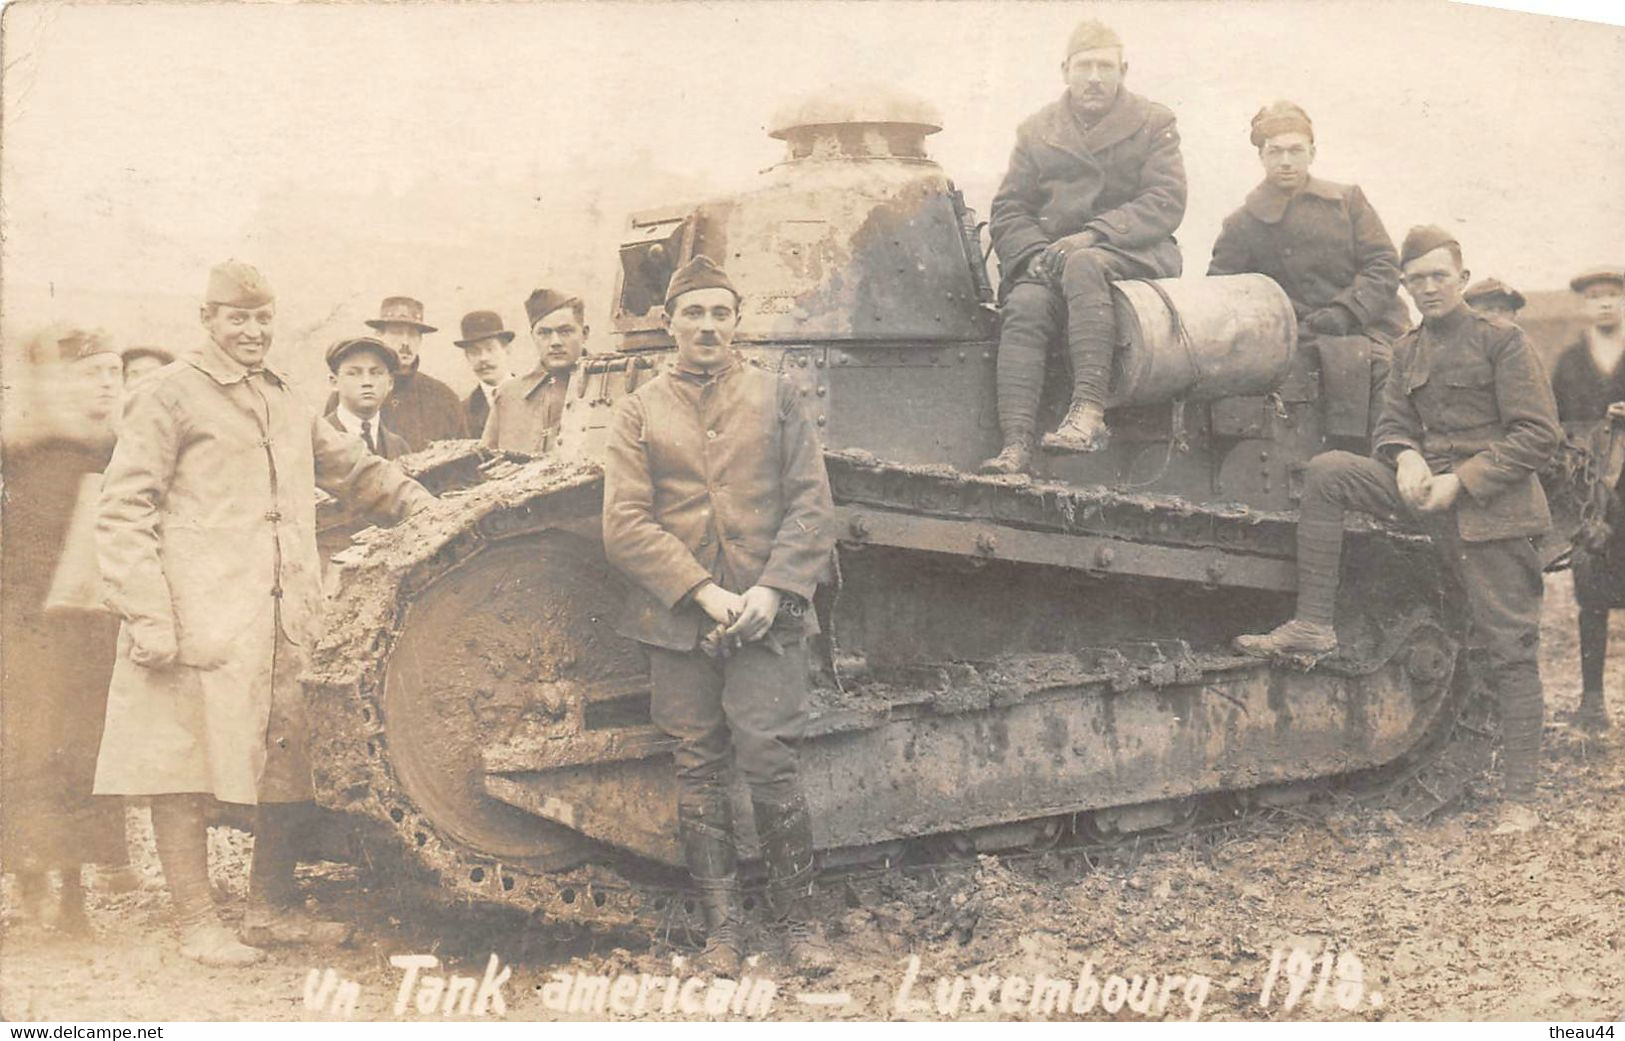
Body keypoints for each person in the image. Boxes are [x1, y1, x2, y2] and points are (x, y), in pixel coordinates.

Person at [94, 261, 435, 966]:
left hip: (284, 617)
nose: (252, 331)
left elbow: (353, 468)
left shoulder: (282, 397)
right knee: (181, 762)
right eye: (236, 318)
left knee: (289, 758)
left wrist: (427, 507)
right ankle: (195, 919)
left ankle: (270, 907)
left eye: (262, 317)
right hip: (198, 617)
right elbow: (124, 509)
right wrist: (149, 612)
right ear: (207, 319)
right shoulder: (168, 394)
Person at [1233, 227, 1561, 834]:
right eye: (1417, 279)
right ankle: (1313, 624)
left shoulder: (1504, 342)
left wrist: (1460, 480)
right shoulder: (1408, 350)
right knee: (1331, 472)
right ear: (1405, 286)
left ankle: (1520, 799)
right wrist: (1407, 458)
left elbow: (1539, 436)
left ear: (1462, 279)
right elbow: (1390, 428)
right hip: (1422, 495)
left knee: (1511, 649)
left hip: (1493, 511)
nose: (1429, 287)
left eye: (1440, 276)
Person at [602, 256, 837, 975]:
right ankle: (723, 932)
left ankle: (798, 923)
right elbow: (624, 522)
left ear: (736, 323)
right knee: (697, 766)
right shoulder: (638, 408)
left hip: (769, 615)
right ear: (669, 324)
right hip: (680, 621)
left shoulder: (776, 398)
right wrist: (702, 590)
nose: (707, 325)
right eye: (693, 313)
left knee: (770, 762)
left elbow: (811, 505)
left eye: (720, 313)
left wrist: (772, 591)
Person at [980, 18, 1187, 473]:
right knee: (1027, 303)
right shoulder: (1036, 130)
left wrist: (1094, 233)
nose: (1095, 77)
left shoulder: (1154, 122)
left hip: (1135, 250)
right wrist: (1033, 253)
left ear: (1123, 70)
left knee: (1086, 265)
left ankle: (1089, 411)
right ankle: (1016, 444)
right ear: (1065, 70)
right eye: (1085, 65)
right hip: (1056, 258)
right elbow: (1010, 205)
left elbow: (1165, 200)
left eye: (1105, 67)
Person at [1, 327, 132, 932]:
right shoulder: (21, 451)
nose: (106, 385)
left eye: (114, 373)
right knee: (29, 750)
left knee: (86, 754)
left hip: (93, 630)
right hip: (25, 629)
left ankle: (76, 893)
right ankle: (30, 877)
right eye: (91, 373)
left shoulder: (122, 452)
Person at [1209, 101, 1408, 344]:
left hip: (1368, 328)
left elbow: (1383, 264)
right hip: (1293, 340)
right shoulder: (1241, 224)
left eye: (1295, 151)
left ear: (1311, 154)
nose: (1285, 161)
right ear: (1261, 156)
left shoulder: (1347, 202)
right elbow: (1223, 291)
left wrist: (1347, 311)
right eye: (1275, 151)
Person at [1549, 266, 1625, 733]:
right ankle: (1593, 700)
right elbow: (1555, 423)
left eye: (1613, 295)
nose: (1604, 304)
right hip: (1593, 496)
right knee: (1591, 589)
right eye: (1595, 297)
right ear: (1582, 305)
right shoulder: (1571, 361)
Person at [324, 296, 467, 450]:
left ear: (420, 340)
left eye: (413, 334)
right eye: (397, 333)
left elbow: (465, 464)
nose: (405, 342)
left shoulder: (443, 398)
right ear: (379, 336)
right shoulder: (348, 395)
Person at [482, 289, 587, 454]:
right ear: (533, 337)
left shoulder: (610, 385)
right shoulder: (508, 395)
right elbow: (485, 463)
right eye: (544, 333)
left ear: (584, 334)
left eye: (565, 331)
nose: (555, 342)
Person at [324, 335, 410, 459]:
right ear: (334, 382)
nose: (367, 382)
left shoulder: (400, 448)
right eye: (353, 373)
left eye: (376, 373)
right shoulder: (315, 440)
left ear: (390, 382)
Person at [453, 310, 516, 437]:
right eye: (474, 352)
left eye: (490, 349)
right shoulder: (463, 412)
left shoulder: (534, 397)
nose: (483, 358)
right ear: (467, 356)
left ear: (507, 349)